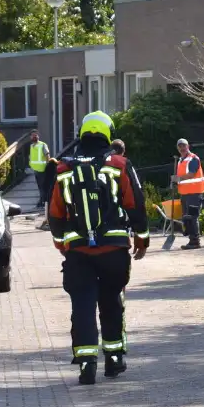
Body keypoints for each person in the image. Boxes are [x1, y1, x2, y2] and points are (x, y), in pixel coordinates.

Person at [48, 111, 150, 385]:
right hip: (113, 248)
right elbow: (135, 203)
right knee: (111, 301)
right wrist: (142, 237)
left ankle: (86, 363)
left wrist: (61, 242)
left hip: (78, 251)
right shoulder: (119, 164)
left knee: (82, 304)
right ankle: (114, 359)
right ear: (108, 133)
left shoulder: (64, 169)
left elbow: (55, 212)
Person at [172, 138, 204, 250]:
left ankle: (195, 241)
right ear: (178, 148)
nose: (182, 148)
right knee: (187, 217)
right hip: (185, 193)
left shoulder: (194, 159)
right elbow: (182, 178)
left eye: (184, 146)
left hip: (195, 193)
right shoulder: (181, 161)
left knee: (193, 217)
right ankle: (192, 240)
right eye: (180, 146)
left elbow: (191, 174)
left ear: (188, 147)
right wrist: (176, 182)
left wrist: (178, 178)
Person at [29, 130, 53, 209]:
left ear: (38, 136)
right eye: (33, 135)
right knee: (40, 186)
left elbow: (47, 155)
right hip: (36, 169)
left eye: (36, 135)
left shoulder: (42, 145)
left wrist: (48, 165)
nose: (34, 136)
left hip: (43, 169)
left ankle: (43, 201)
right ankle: (42, 201)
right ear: (30, 137)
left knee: (43, 186)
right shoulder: (31, 146)